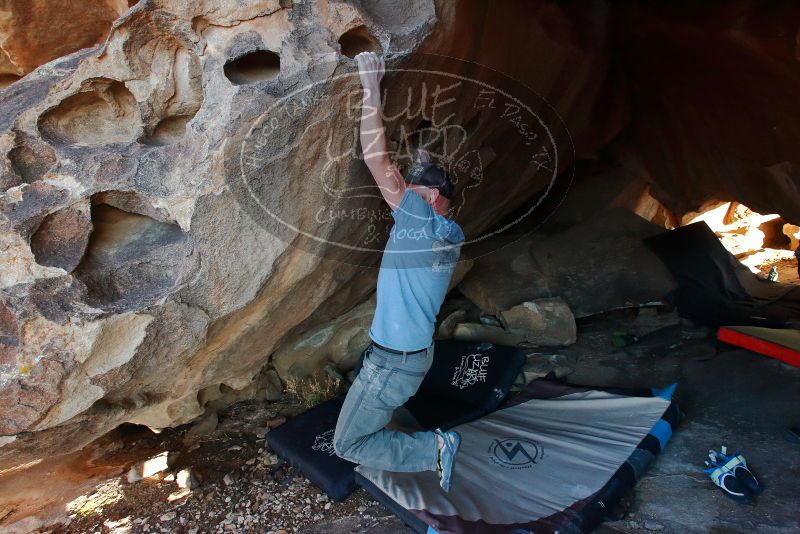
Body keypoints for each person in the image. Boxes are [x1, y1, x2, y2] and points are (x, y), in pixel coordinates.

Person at [333, 52, 465, 492]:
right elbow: (415, 183)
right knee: (365, 416)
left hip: (393, 363)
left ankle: (435, 450)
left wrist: (371, 87)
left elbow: (377, 160)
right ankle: (417, 441)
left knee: (348, 443)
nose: (402, 191)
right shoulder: (444, 231)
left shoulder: (420, 221)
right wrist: (423, 168)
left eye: (413, 187)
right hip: (404, 357)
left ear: (428, 196)